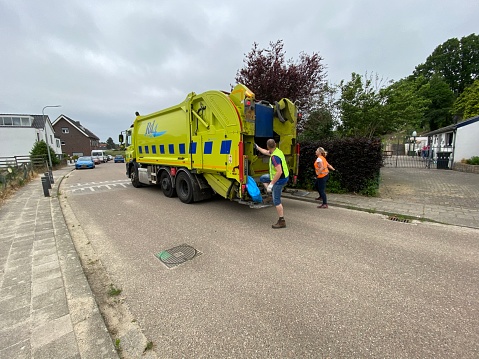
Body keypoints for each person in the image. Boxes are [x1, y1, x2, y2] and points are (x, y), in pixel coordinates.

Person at [255, 139, 289, 229]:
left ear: (268, 146)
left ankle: (282, 221)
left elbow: (279, 172)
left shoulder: (274, 157)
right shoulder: (277, 151)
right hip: (281, 176)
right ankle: (270, 193)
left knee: (276, 200)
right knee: (263, 178)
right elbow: (266, 152)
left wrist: (271, 184)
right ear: (275, 145)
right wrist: (257, 147)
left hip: (279, 179)